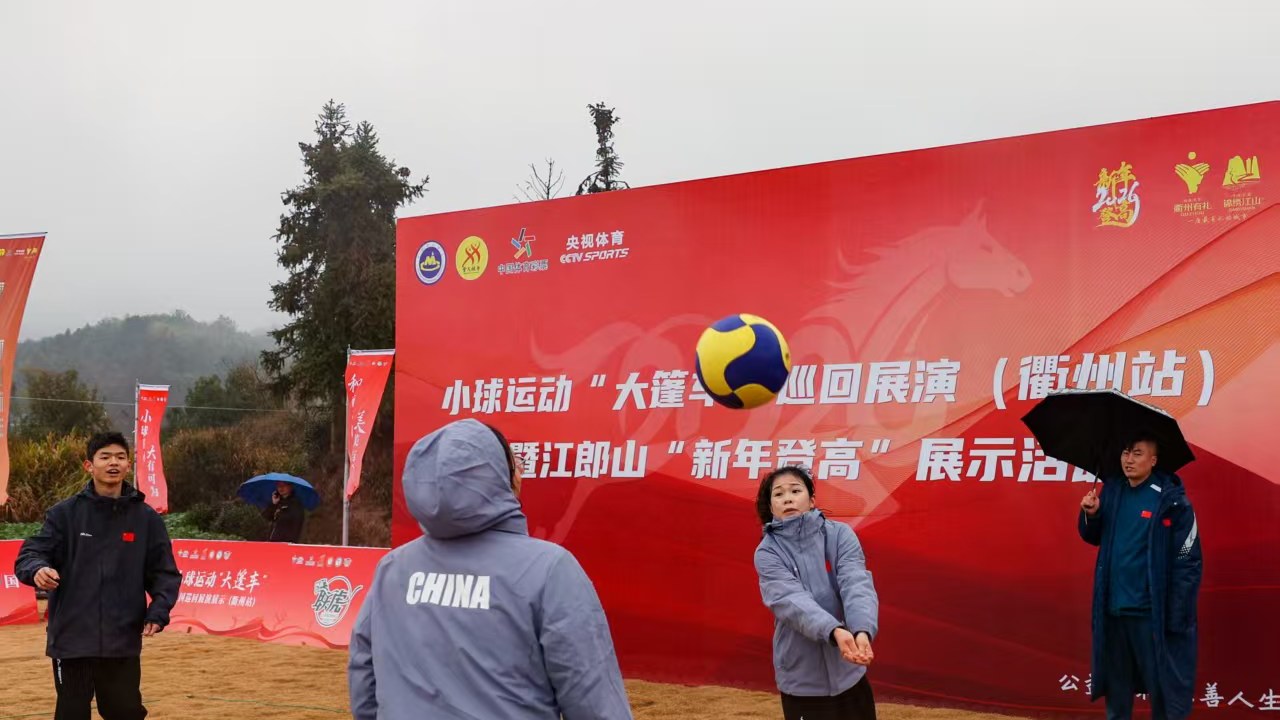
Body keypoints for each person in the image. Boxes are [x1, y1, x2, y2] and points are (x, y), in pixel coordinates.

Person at [347, 418, 632, 719]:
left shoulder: (393, 568)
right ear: (501, 477)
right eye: (515, 463)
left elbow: (363, 674)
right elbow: (595, 702)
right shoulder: (550, 570)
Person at [14, 431, 181, 720]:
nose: (113, 463)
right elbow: (31, 553)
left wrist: (158, 611)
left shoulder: (146, 519)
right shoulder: (64, 514)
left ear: (128, 465)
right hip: (72, 638)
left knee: (124, 711)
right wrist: (37, 569)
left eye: (120, 457)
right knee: (72, 712)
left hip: (122, 637)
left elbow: (164, 572)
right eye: (105, 457)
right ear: (89, 466)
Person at [1078, 433, 1202, 720]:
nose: (1129, 460)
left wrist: (1176, 616)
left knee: (1163, 692)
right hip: (1113, 612)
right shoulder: (1112, 491)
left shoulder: (1173, 502)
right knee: (1117, 694)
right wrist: (1092, 515)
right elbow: (1093, 536)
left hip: (1151, 616)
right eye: (1125, 453)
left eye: (1137, 453)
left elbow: (1188, 561)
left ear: (1153, 460)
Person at [754, 465, 880, 720]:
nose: (787, 498)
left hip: (849, 670)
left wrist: (862, 630)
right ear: (771, 507)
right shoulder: (767, 552)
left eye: (795, 490)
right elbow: (790, 600)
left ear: (811, 500)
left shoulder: (840, 535)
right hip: (802, 681)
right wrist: (834, 631)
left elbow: (856, 583)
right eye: (778, 494)